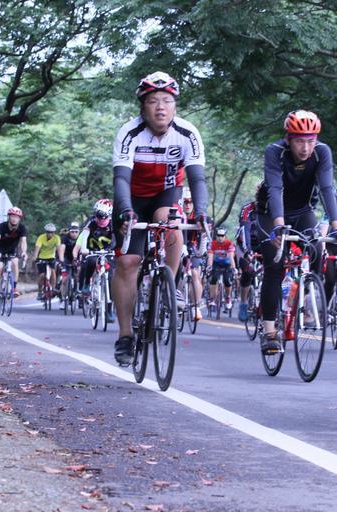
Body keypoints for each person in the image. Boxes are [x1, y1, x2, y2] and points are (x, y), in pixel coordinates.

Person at [111, 71, 209, 366]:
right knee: (128, 262)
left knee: (172, 224)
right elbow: (121, 179)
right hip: (132, 198)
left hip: (166, 193)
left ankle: (171, 284)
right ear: (143, 107)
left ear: (175, 105)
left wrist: (201, 211)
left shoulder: (187, 133)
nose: (160, 107)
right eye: (153, 101)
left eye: (167, 100)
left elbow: (197, 178)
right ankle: (125, 335)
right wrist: (126, 210)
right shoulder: (129, 133)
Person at [257, 110, 337, 355]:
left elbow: (326, 188)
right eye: (299, 141)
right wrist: (279, 226)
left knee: (316, 250)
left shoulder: (322, 152)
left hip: (303, 211)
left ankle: (302, 295)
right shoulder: (275, 152)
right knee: (275, 265)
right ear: (288, 139)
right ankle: (270, 331)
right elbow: (274, 188)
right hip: (271, 213)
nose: (305, 148)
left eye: (310, 141)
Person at [0, 206, 28, 302]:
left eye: (17, 217)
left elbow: (23, 242)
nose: (14, 218)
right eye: (12, 216)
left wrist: (24, 252)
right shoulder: (2, 226)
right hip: (0, 250)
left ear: (19, 218)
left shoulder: (22, 228)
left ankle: (14, 288)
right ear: (9, 217)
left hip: (12, 251)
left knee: (15, 263)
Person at [236, 182, 261, 322]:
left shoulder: (274, 210)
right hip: (245, 244)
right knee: (248, 270)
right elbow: (244, 230)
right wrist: (247, 251)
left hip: (263, 244)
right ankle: (244, 303)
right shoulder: (247, 209)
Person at [181, 188, 204, 321]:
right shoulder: (175, 212)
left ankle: (196, 306)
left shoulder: (196, 215)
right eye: (185, 202)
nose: (188, 205)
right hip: (176, 245)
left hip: (192, 246)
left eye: (190, 202)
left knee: (195, 273)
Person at [207, 227, 237, 311]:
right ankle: (212, 298)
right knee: (214, 278)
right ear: (216, 236)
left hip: (227, 264)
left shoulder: (229, 243)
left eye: (222, 236)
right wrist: (209, 266)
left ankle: (228, 297)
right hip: (216, 264)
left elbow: (231, 257)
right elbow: (210, 256)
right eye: (218, 235)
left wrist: (234, 268)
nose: (220, 237)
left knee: (227, 280)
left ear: (225, 236)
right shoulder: (212, 244)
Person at [32, 223, 60, 301]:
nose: (50, 234)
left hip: (51, 257)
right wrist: (35, 257)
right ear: (45, 232)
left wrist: (61, 258)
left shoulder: (57, 238)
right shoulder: (41, 237)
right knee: (42, 275)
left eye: (51, 232)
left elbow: (59, 248)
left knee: (53, 272)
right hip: (42, 257)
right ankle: (39, 292)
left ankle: (53, 289)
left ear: (54, 233)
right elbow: (37, 248)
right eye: (48, 232)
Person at [57, 222, 81, 310]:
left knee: (78, 274)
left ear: (79, 232)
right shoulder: (65, 238)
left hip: (77, 257)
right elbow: (61, 249)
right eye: (72, 232)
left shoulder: (81, 238)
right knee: (64, 280)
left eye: (76, 232)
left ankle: (78, 292)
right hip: (67, 258)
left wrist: (80, 261)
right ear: (69, 232)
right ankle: (64, 299)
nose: (74, 234)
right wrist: (61, 260)